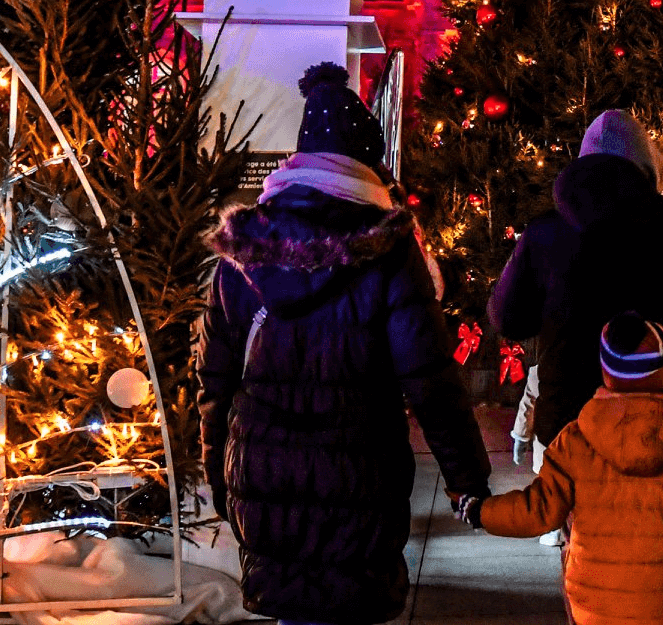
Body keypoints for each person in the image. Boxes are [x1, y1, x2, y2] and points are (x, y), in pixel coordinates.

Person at [198, 62, 490, 624]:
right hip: (359, 468)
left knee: (293, 608)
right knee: (344, 605)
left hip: (264, 470)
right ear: (365, 163)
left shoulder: (244, 250)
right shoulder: (386, 249)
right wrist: (467, 480)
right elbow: (429, 380)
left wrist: (219, 473)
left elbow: (215, 381)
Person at [489, 109, 663, 454]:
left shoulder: (545, 233)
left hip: (570, 435)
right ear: (649, 170)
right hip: (658, 432)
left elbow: (508, 318)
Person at [455, 315, 663, 624]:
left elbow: (537, 511)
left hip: (595, 604)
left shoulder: (577, 441)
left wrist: (481, 511)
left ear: (607, 371)